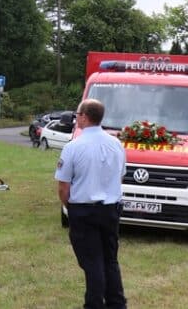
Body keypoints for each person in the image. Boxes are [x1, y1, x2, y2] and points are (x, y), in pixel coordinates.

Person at [55, 98, 127, 309]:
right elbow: (119, 177)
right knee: (110, 260)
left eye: (77, 115)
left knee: (92, 261)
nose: (76, 118)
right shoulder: (116, 144)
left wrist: (69, 206)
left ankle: (94, 304)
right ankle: (117, 303)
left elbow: (63, 187)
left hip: (84, 210)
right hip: (111, 209)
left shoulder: (73, 147)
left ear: (85, 117)